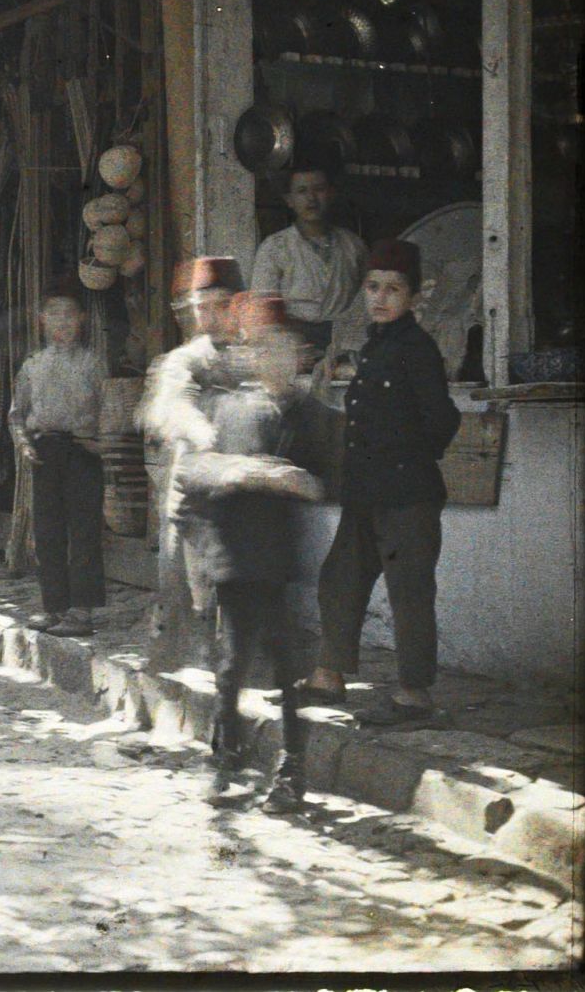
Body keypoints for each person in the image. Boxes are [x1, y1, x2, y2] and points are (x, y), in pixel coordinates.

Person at [300, 239, 461, 726]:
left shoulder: (417, 349)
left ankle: (414, 694)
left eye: (393, 289)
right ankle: (328, 676)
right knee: (340, 579)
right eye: (373, 287)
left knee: (408, 591)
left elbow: (443, 420)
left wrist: (406, 460)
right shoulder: (374, 348)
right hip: (366, 494)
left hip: (407, 496)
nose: (381, 298)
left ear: (413, 296)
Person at [170, 294, 321, 812]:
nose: (268, 358)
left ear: (299, 354)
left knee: (286, 668)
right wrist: (243, 472)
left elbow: (329, 478)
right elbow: (193, 472)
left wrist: (303, 483)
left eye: (279, 347)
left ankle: (291, 771)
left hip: (279, 560)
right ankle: (226, 756)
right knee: (231, 663)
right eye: (258, 348)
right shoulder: (229, 408)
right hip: (232, 554)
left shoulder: (311, 414)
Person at [139, 256, 248, 627]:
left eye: (224, 305)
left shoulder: (252, 356)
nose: (213, 316)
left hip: (243, 492)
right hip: (194, 494)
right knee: (190, 588)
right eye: (204, 307)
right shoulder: (184, 360)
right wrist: (197, 427)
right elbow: (170, 407)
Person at [9, 280, 106, 638]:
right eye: (53, 314)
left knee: (83, 531)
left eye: (69, 314)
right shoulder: (33, 365)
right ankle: (55, 607)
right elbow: (17, 414)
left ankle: (82, 611)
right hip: (45, 453)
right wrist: (24, 445)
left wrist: (101, 443)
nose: (61, 321)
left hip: (83, 451)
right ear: (42, 320)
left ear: (81, 319)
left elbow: (109, 408)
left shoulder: (93, 364)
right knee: (47, 533)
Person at [250, 162, 366, 359]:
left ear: (331, 194)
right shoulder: (274, 248)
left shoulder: (354, 245)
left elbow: (365, 303)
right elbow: (262, 310)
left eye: (319, 189)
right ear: (290, 200)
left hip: (345, 346)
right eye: (302, 191)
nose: (311, 198)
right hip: (294, 347)